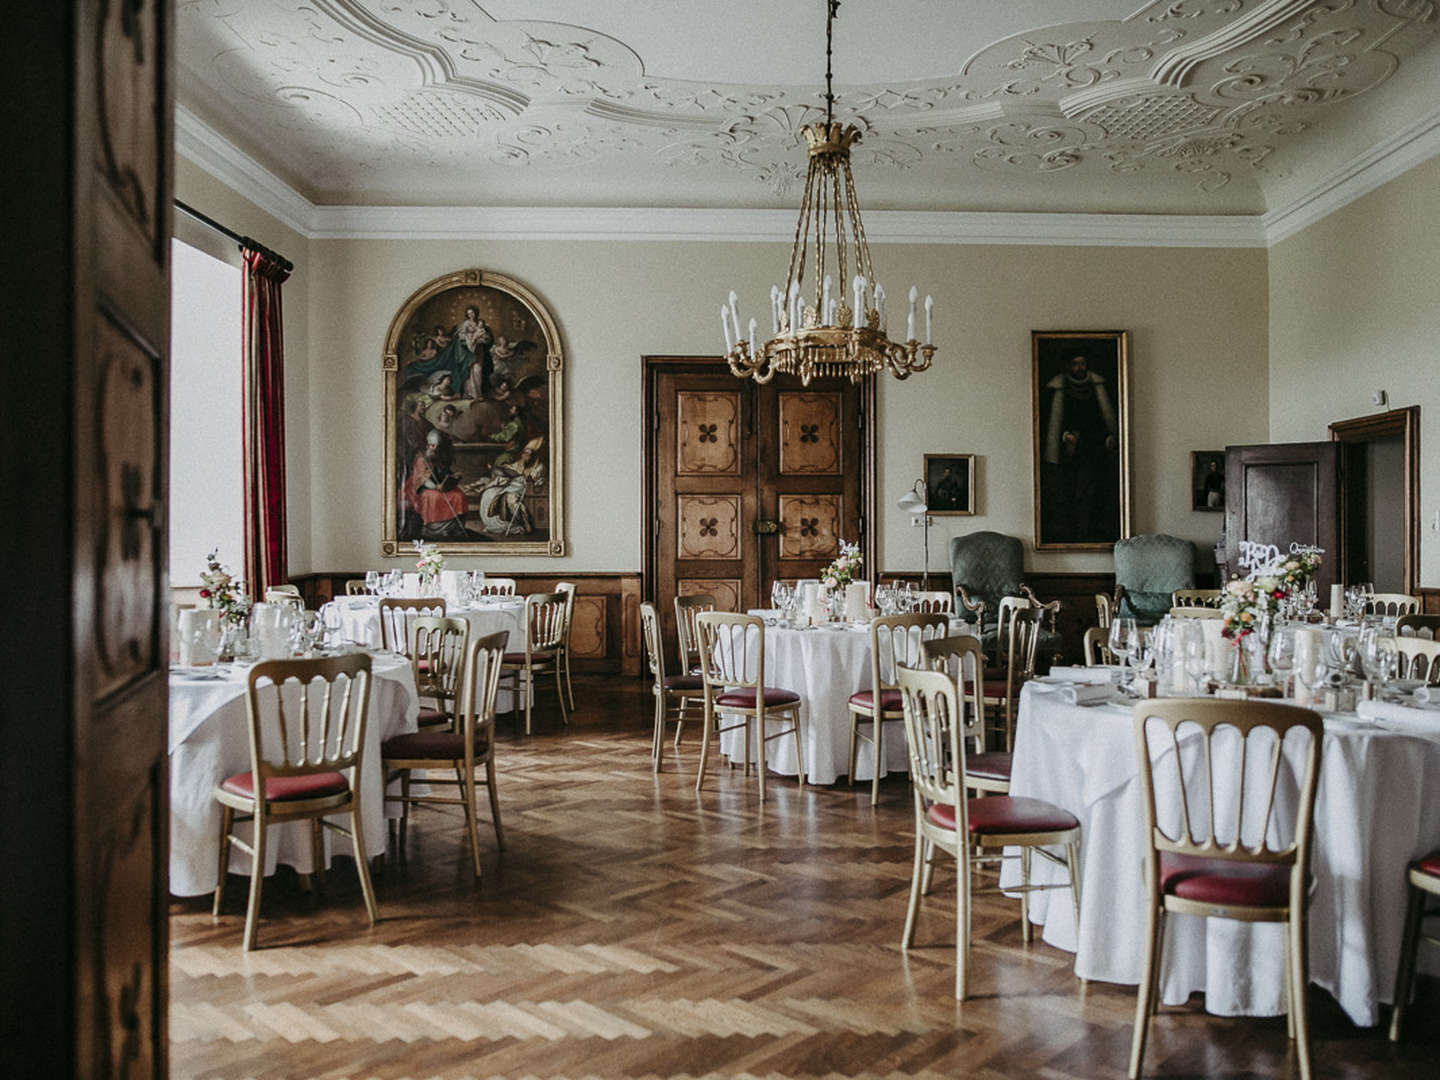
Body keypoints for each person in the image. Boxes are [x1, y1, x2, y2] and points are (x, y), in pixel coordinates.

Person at [1041, 352, 1119, 542]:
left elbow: (1102, 418)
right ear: (1069, 366)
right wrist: (1065, 435)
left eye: (1082, 364)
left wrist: (1107, 437)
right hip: (1069, 451)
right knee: (1071, 492)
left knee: (1095, 493)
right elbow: (1050, 422)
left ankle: (1093, 530)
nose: (1079, 368)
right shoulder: (1059, 387)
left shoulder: (1098, 386)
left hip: (1095, 447)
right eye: (1075, 364)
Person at [403, 429, 469, 540]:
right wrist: (435, 487)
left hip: (440, 486)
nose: (431, 448)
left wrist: (453, 477)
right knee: (435, 497)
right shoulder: (422, 459)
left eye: (434, 446)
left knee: (459, 495)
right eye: (429, 445)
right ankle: (434, 529)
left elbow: (443, 473)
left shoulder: (440, 457)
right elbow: (422, 479)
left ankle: (453, 528)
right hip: (422, 488)